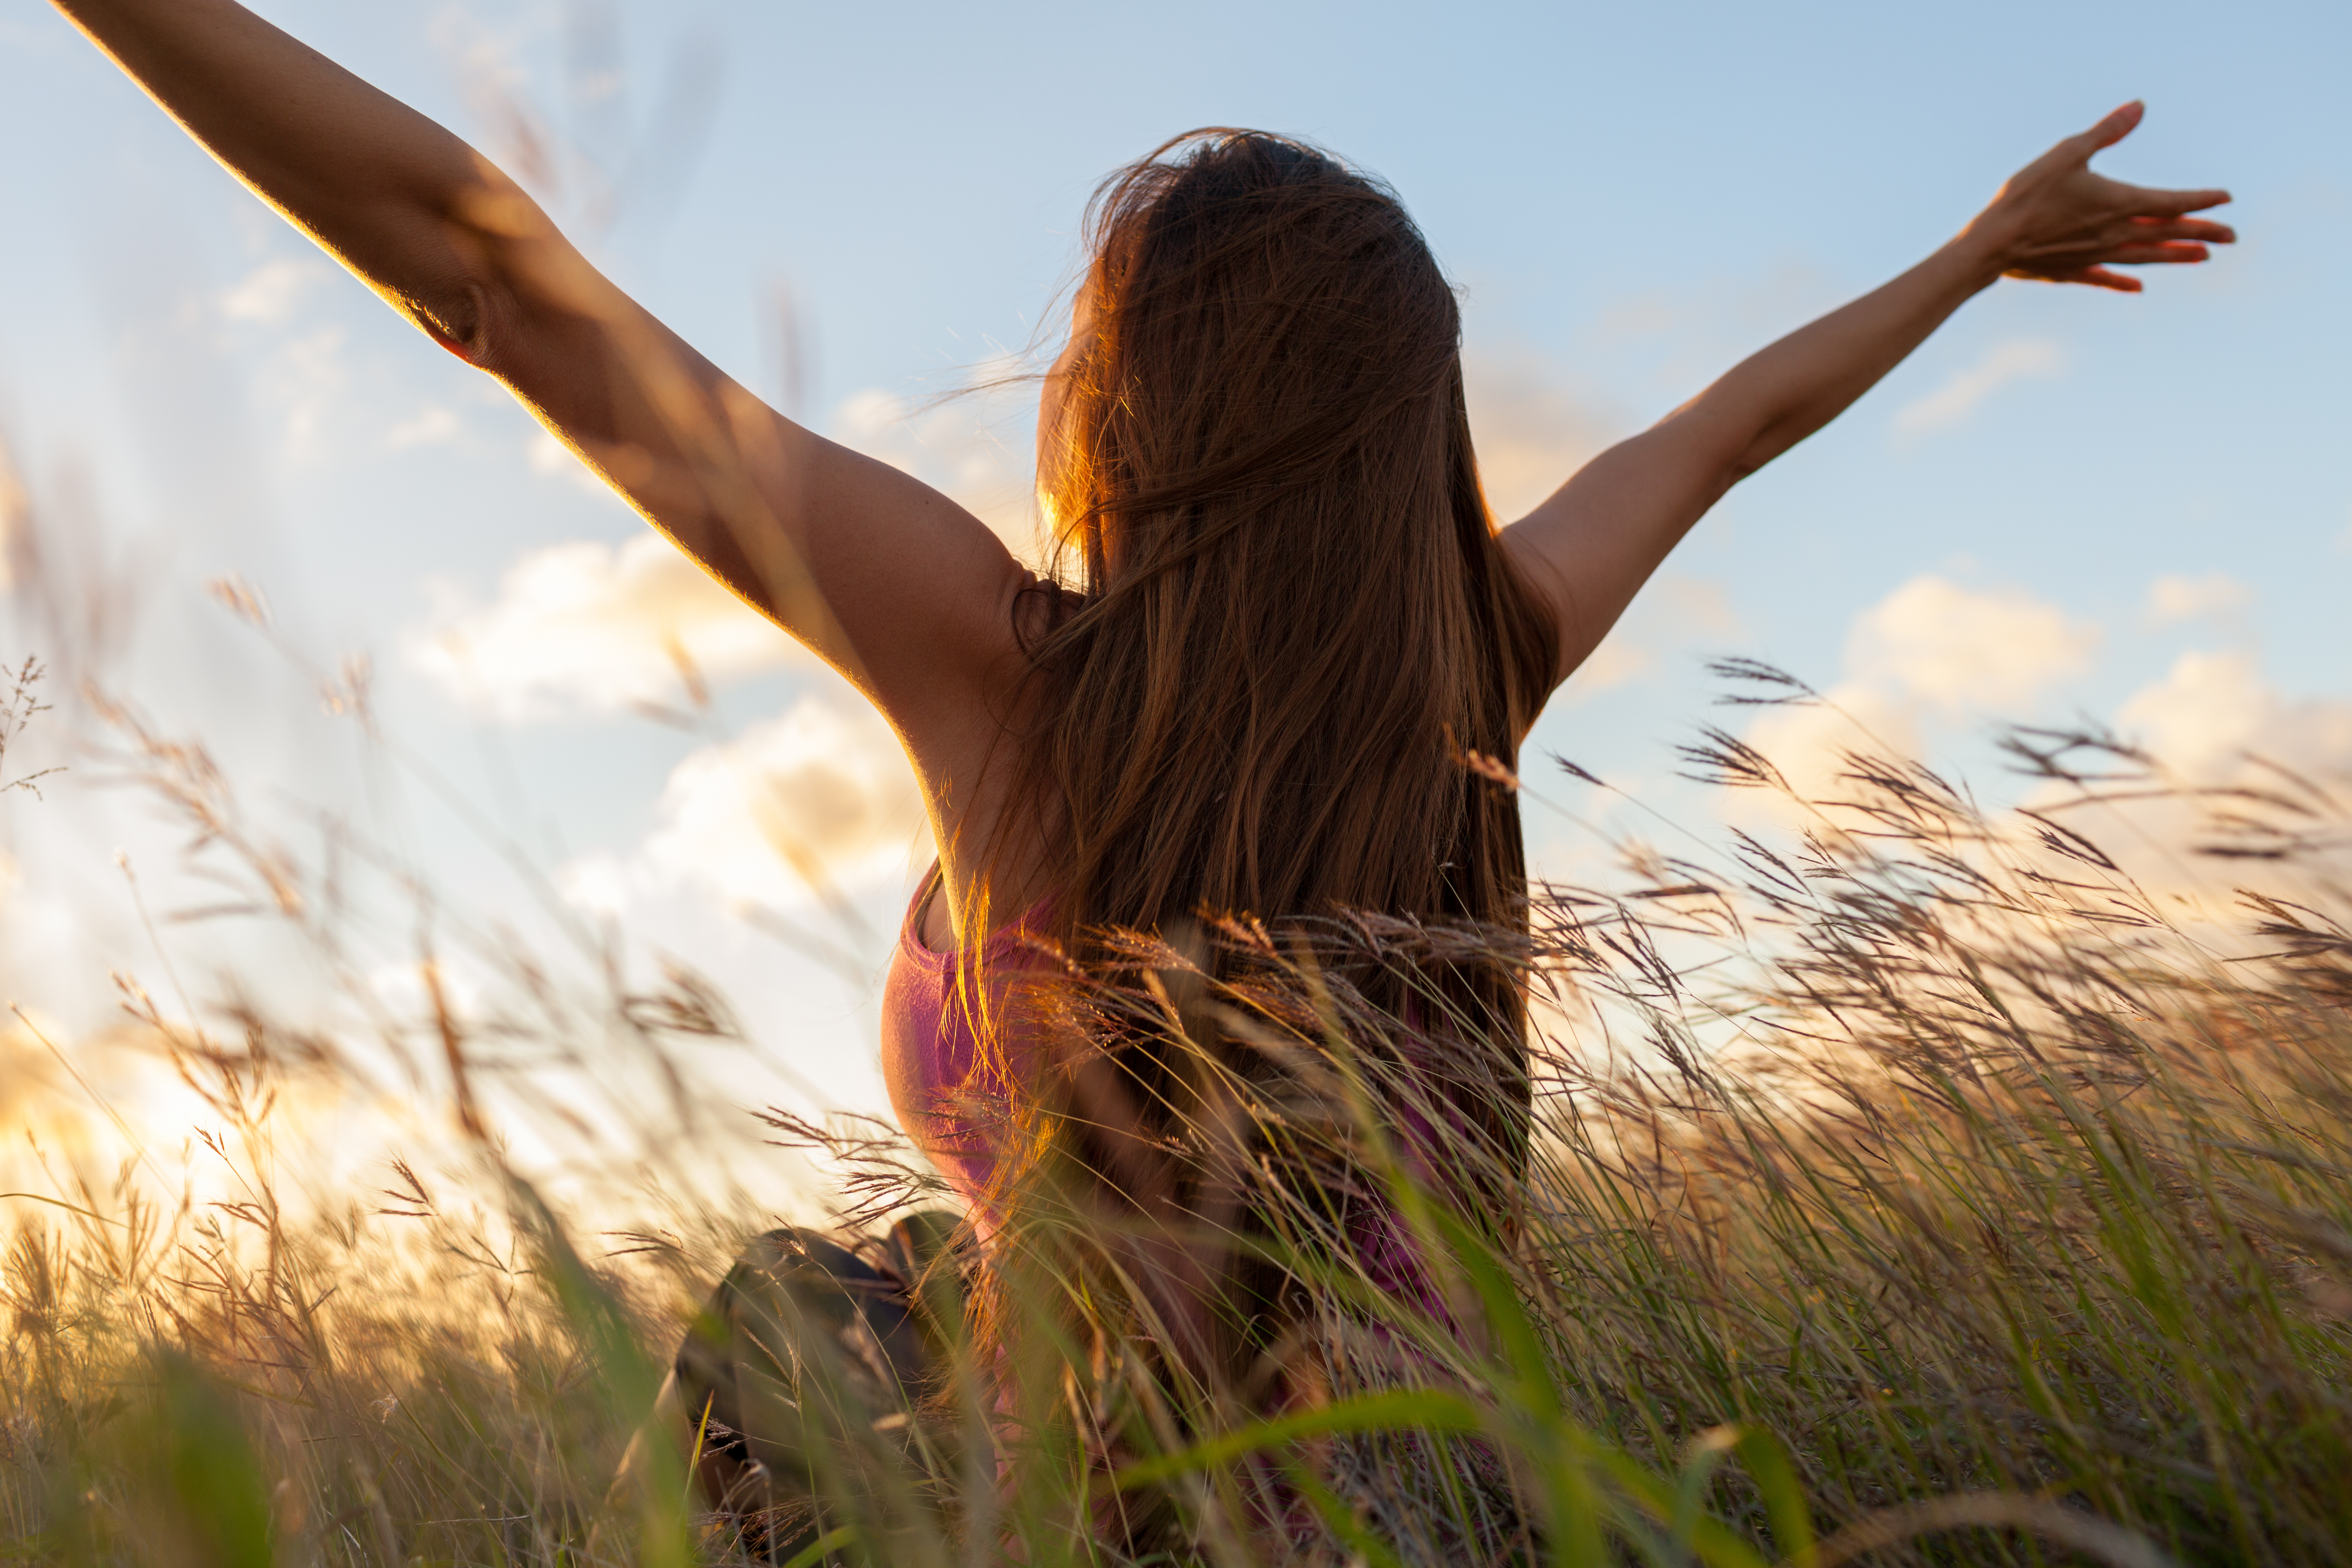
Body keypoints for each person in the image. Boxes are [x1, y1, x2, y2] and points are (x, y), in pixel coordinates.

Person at [53, 0, 2232, 1552]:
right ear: (1410, 447)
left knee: (773, 1324)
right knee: (875, 1268)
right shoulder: (1478, 666)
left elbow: (477, 265)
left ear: (1129, 399)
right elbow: (1729, 428)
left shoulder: (1006, 681)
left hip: (1097, 1505)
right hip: (1444, 1499)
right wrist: (1973, 253)